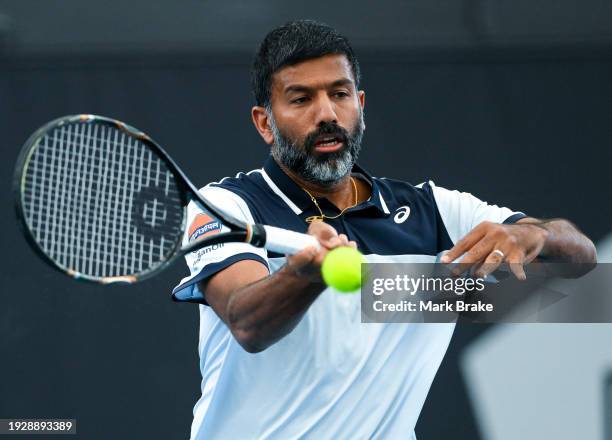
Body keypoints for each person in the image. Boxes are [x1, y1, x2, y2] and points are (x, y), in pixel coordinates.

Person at [172, 20, 596, 439]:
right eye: (300, 100)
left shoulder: (436, 213)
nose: (326, 114)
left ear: (360, 104)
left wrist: (532, 234)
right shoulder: (226, 207)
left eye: (339, 94)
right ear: (265, 123)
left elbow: (582, 261)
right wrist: (304, 275)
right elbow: (247, 323)